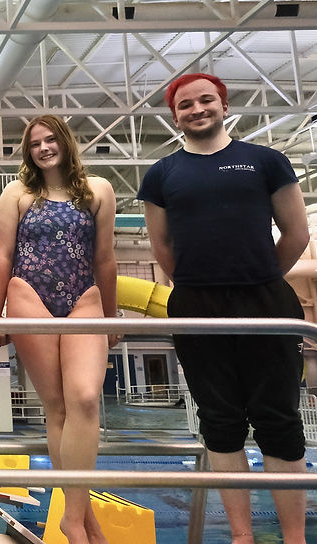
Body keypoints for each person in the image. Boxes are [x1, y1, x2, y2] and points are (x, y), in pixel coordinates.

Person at [138, 73, 309, 544]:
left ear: (224, 105)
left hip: (265, 300)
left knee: (278, 419)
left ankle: (295, 537)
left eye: (205, 100)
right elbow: (162, 247)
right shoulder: (162, 174)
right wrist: (201, 285)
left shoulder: (265, 161)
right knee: (219, 419)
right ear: (175, 116)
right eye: (185, 105)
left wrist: (259, 277)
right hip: (196, 303)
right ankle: (241, 536)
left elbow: (296, 232)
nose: (197, 109)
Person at [0, 114, 118, 544]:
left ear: (64, 141)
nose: (43, 148)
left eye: (49, 140)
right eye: (34, 143)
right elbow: (3, 258)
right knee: (58, 407)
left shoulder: (98, 190)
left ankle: (74, 517)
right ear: (28, 152)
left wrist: (113, 315)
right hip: (29, 295)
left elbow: (105, 259)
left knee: (85, 399)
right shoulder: (18, 193)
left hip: (85, 299)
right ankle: (79, 520)